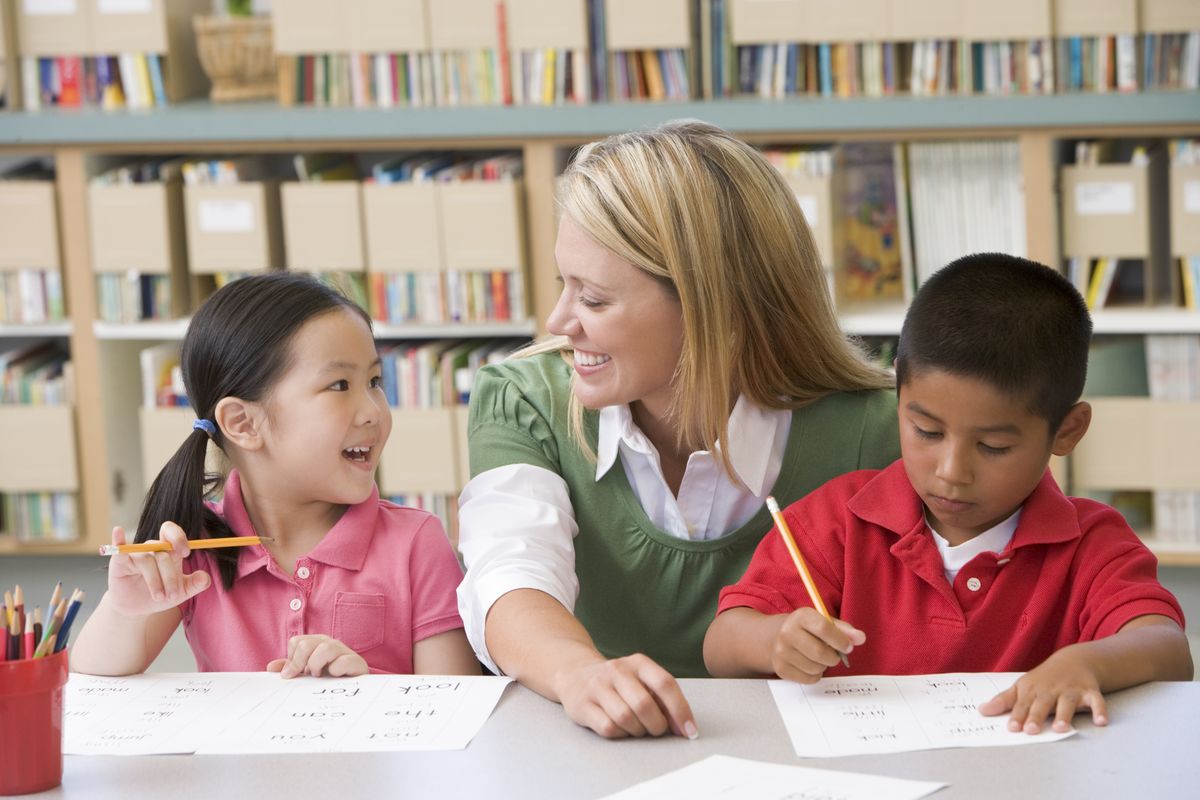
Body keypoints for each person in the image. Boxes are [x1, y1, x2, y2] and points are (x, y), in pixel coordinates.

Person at [457, 120, 901, 739]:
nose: (560, 321)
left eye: (594, 299)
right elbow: (510, 572)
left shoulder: (886, 433)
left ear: (711, 304)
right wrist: (580, 675)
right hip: (588, 750)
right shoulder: (522, 400)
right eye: (565, 285)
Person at [704, 253, 1193, 734]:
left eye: (993, 446)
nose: (952, 471)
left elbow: (1168, 649)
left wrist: (1089, 664)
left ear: (1067, 431)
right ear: (897, 395)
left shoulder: (1090, 542)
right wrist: (774, 641)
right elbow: (721, 644)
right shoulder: (838, 521)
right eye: (927, 431)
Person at [72, 272, 479, 678]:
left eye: (375, 381)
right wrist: (125, 609)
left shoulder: (416, 543)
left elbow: (460, 705)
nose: (373, 409)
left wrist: (367, 689)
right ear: (243, 423)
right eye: (340, 385)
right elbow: (91, 679)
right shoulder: (195, 546)